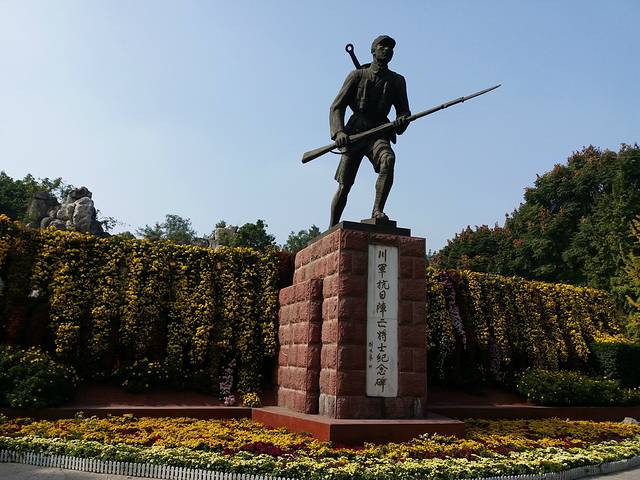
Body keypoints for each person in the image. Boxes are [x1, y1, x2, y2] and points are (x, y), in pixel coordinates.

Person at [329, 34, 411, 227]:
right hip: (355, 132)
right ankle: (332, 225)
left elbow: (404, 110)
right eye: (382, 46)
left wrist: (402, 120)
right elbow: (337, 106)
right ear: (373, 51)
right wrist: (339, 132)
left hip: (380, 131)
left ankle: (377, 210)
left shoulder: (397, 81)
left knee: (388, 160)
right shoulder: (357, 75)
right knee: (345, 185)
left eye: (390, 48)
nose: (387, 50)